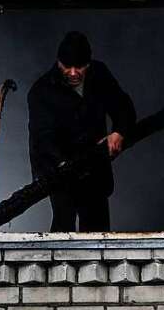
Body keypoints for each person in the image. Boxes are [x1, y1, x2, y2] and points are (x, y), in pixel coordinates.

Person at [27, 31, 136, 233]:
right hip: (59, 170)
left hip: (94, 169)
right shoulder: (41, 91)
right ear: (58, 62)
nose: (74, 72)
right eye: (67, 67)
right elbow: (43, 139)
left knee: (98, 229)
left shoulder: (99, 73)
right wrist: (62, 165)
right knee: (63, 224)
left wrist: (119, 131)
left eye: (80, 67)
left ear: (89, 63)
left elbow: (123, 106)